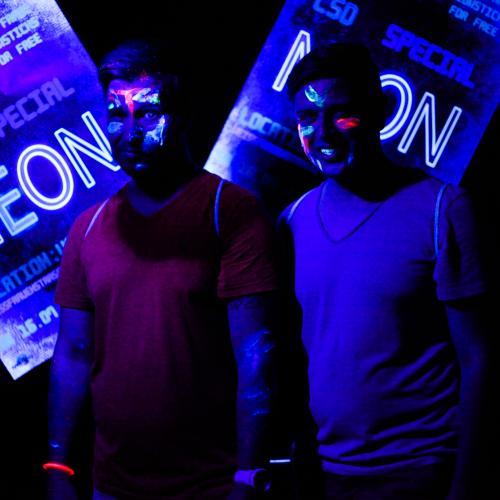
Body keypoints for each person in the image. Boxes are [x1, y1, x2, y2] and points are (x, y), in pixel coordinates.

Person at [46, 39, 278, 499]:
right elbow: (72, 354)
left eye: (148, 113)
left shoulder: (229, 212)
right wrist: (57, 465)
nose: (130, 132)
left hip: (211, 487)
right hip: (112, 487)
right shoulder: (87, 228)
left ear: (183, 115)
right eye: (118, 114)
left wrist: (248, 476)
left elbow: (257, 353)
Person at [279, 43, 493, 500]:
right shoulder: (292, 221)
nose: (322, 132)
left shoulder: (442, 209)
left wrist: (464, 486)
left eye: (341, 113)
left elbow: (479, 358)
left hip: (420, 470)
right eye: (308, 117)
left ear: (379, 112)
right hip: (325, 473)